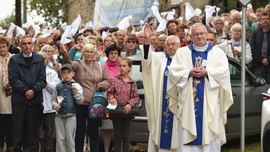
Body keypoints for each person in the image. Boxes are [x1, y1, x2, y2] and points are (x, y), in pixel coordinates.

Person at [167, 23, 233, 152]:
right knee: (187, 135)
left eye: (202, 33)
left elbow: (224, 73)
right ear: (190, 36)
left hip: (210, 103)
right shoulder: (182, 53)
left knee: (210, 132)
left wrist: (207, 72)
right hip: (187, 105)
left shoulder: (218, 53)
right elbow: (173, 72)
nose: (200, 36)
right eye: (196, 34)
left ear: (207, 34)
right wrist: (188, 73)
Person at [60, 43, 109, 152]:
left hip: (95, 104)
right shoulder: (79, 64)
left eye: (91, 51)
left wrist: (102, 85)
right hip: (80, 103)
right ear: (82, 53)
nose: (89, 54)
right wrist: (65, 54)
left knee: (94, 132)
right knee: (79, 131)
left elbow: (107, 80)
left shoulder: (101, 66)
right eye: (86, 51)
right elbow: (69, 65)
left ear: (95, 53)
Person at [141, 23, 180, 151]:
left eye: (173, 44)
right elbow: (147, 59)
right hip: (162, 102)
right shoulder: (160, 58)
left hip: (179, 104)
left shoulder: (185, 59)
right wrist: (147, 40)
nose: (170, 46)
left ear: (179, 45)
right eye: (168, 44)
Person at [8, 35, 46, 152]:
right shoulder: (14, 60)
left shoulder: (39, 59)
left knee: (33, 132)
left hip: (35, 101)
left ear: (33, 45)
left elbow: (42, 79)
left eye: (29, 43)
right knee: (18, 131)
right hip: (19, 101)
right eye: (24, 43)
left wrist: (34, 91)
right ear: (20, 45)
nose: (27, 46)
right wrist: (26, 91)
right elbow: (13, 79)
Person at [106, 58, 139, 152]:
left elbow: (136, 97)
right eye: (120, 66)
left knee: (126, 136)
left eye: (124, 66)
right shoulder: (114, 80)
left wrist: (130, 104)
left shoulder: (132, 82)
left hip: (127, 112)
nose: (121, 68)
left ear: (129, 68)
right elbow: (110, 93)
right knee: (117, 135)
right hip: (117, 111)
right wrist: (112, 99)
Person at [51, 63, 84, 152]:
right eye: (64, 72)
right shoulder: (58, 86)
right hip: (59, 116)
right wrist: (55, 106)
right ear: (61, 74)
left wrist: (75, 93)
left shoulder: (76, 86)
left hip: (71, 115)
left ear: (73, 74)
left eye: (68, 72)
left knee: (70, 139)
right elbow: (53, 99)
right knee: (60, 139)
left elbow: (80, 101)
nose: (66, 75)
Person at [38, 49, 60, 152]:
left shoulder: (52, 73)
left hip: (49, 107)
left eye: (43, 59)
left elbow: (56, 89)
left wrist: (46, 84)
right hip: (35, 105)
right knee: (34, 131)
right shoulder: (31, 72)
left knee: (49, 132)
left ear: (47, 61)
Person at [101, 44, 121, 152]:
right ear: (107, 55)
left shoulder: (122, 65)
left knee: (118, 127)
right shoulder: (102, 66)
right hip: (106, 97)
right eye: (111, 53)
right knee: (107, 127)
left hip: (120, 99)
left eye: (115, 53)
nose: (113, 55)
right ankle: (106, 149)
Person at [0, 36, 13, 152]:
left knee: (11, 133)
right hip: (0, 98)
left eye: (4, 46)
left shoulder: (14, 59)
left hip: (12, 100)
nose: (2, 49)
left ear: (8, 47)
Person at [249, 12, 270, 83]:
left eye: (267, 19)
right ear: (260, 21)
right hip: (258, 65)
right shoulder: (255, 32)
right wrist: (261, 59)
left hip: (269, 63)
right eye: (263, 19)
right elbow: (252, 47)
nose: (265, 20)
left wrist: (268, 59)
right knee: (260, 86)